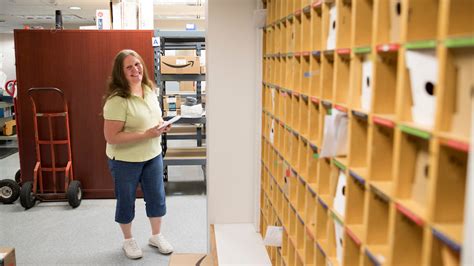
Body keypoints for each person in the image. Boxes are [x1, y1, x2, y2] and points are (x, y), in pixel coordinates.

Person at [103, 49, 173, 259]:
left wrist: (161, 126)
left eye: (138, 64)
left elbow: (155, 118)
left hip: (152, 154)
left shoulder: (149, 90)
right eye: (129, 67)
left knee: (156, 197)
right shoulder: (117, 100)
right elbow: (111, 137)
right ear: (120, 72)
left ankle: (156, 235)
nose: (136, 69)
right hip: (125, 159)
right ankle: (128, 240)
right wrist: (146, 134)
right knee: (126, 200)